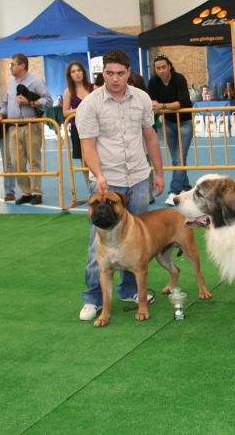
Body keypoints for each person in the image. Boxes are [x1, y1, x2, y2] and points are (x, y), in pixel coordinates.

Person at [75, 49, 165, 321]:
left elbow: (150, 136)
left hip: (138, 177)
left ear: (129, 72)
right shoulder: (90, 104)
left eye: (120, 73)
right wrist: (98, 174)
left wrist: (158, 173)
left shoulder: (142, 99)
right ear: (103, 73)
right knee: (97, 244)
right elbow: (87, 145)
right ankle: (93, 298)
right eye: (110, 73)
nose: (115, 79)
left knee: (135, 240)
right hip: (107, 182)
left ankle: (128, 289)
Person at [0, 53, 53, 205]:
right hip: (13, 128)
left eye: (13, 64)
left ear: (22, 65)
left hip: (31, 125)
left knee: (34, 160)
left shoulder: (35, 81)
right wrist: (1, 114)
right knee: (16, 162)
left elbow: (48, 100)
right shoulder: (10, 84)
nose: (10, 67)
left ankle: (36, 192)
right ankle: (26, 191)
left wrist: (30, 103)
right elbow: (5, 105)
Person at [147, 55, 193, 206]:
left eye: (163, 67)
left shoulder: (179, 79)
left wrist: (162, 106)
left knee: (179, 158)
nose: (161, 71)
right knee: (177, 159)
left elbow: (183, 102)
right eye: (158, 68)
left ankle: (174, 191)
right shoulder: (153, 82)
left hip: (185, 123)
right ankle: (186, 187)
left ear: (169, 67)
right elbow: (151, 103)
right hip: (168, 123)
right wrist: (160, 106)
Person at [62, 61, 94, 187]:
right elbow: (65, 112)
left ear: (83, 72)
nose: (77, 73)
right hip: (78, 129)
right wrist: (81, 108)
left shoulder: (93, 88)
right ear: (70, 75)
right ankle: (90, 187)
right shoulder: (69, 92)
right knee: (85, 160)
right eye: (73, 71)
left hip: (95, 127)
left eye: (79, 70)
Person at [0, 100, 17, 201]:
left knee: (8, 161)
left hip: (2, 130)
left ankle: (9, 192)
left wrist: (0, 116)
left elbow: (1, 111)